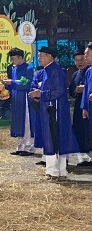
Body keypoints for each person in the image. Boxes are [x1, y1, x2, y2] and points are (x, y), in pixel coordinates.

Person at [29, 46, 72, 180]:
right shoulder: (44, 71)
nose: (39, 58)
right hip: (47, 109)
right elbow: (35, 85)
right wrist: (37, 94)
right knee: (50, 138)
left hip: (55, 110)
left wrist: (41, 94)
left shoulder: (57, 71)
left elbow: (60, 91)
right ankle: (56, 169)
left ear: (49, 57)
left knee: (54, 138)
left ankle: (55, 170)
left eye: (41, 55)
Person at [1, 48, 38, 156]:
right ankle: (20, 146)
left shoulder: (29, 68)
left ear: (20, 57)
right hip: (17, 97)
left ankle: (29, 147)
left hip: (25, 98)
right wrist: (8, 83)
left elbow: (26, 82)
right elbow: (15, 82)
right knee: (18, 122)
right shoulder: (14, 68)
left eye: (13, 58)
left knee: (27, 122)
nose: (12, 61)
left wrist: (11, 82)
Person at [68, 50, 92, 166]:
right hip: (79, 107)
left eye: (82, 59)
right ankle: (83, 157)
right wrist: (77, 91)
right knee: (79, 130)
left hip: (89, 106)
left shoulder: (90, 71)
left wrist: (86, 89)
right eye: (76, 60)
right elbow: (71, 91)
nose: (79, 63)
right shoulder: (75, 74)